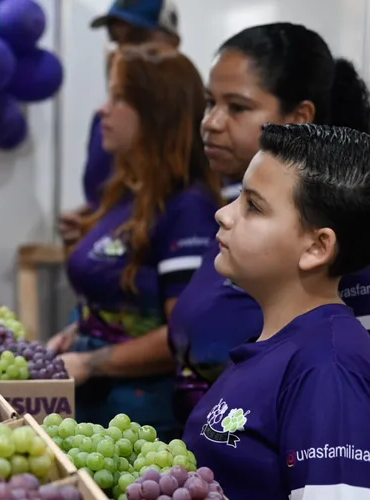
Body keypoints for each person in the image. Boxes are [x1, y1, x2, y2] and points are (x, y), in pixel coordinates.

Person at [168, 23, 370, 425]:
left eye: (237, 107)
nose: (210, 122)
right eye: (210, 102)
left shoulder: (340, 250)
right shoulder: (230, 209)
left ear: (299, 117)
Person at [181, 123, 370, 500]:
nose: (223, 214)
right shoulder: (278, 347)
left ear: (317, 247)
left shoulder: (328, 369)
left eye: (253, 206)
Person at [47, 43, 221, 441]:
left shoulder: (187, 208)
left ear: (158, 114)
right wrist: (82, 329)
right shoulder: (126, 192)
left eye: (120, 98)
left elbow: (184, 335)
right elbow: (119, 298)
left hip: (140, 420)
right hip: (98, 407)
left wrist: (93, 362)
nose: (103, 111)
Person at [59, 0, 180, 247]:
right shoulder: (105, 121)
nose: (123, 51)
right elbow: (109, 199)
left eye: (138, 38)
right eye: (116, 40)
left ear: (173, 43)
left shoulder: (199, 124)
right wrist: (91, 219)